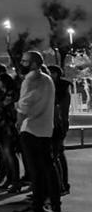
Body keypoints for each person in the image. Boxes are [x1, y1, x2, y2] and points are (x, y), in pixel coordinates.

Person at [13, 51, 61, 212]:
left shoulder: (31, 79)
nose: (21, 64)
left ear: (34, 64)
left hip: (31, 129)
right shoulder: (47, 79)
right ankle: (53, 204)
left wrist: (18, 121)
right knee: (48, 167)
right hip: (45, 129)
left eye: (25, 61)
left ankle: (37, 207)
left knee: (35, 171)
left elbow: (24, 105)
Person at [0, 73, 20, 192]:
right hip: (2, 127)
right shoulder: (3, 93)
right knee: (6, 156)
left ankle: (15, 181)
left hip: (7, 128)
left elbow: (3, 110)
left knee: (9, 155)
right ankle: (10, 179)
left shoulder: (10, 94)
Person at [48, 65, 71, 195]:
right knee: (56, 154)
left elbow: (61, 109)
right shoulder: (54, 87)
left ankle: (63, 185)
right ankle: (58, 185)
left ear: (56, 74)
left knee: (57, 154)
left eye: (50, 72)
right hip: (55, 123)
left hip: (58, 124)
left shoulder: (61, 89)